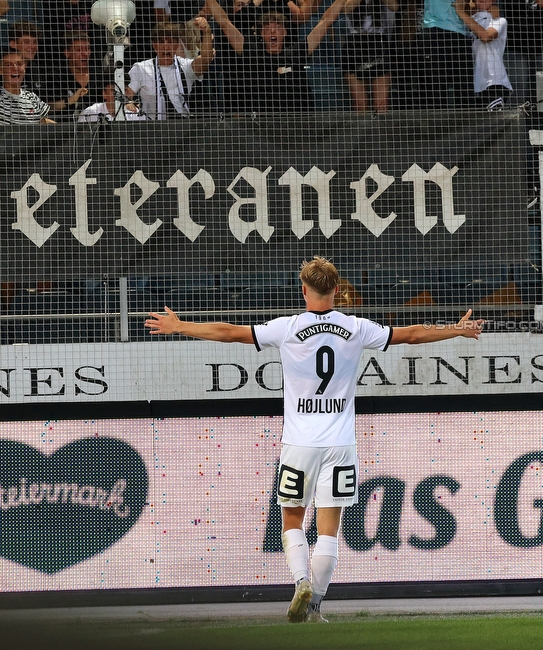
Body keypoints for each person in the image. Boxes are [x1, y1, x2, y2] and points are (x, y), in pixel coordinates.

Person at [145, 257, 484, 623]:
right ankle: (317, 607)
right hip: (339, 443)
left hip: (299, 443)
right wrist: (457, 329)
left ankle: (300, 580)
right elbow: (412, 334)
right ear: (337, 290)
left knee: (292, 518)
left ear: (304, 290)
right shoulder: (356, 328)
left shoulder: (288, 328)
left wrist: (180, 325)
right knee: (329, 528)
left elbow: (230, 332)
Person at [126, 20, 216, 119]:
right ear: (154, 45)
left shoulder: (185, 66)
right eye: (161, 42)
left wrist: (206, 32)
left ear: (177, 44)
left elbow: (206, 59)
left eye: (170, 41)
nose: (166, 46)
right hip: (152, 128)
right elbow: (124, 96)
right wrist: (128, 103)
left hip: (182, 127)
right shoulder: (141, 69)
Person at [454, 0, 512, 109]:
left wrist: (461, 12)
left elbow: (486, 36)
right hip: (473, 85)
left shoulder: (499, 20)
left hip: (494, 82)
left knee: (495, 124)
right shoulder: (465, 22)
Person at [43, 30, 94, 119]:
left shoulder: (99, 75)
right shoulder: (56, 77)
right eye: (79, 50)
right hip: (64, 129)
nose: (85, 54)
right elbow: (44, 108)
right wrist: (69, 101)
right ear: (67, 53)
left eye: (87, 49)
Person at [0, 51, 55, 124]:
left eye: (19, 64)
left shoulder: (32, 97)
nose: (15, 68)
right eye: (8, 65)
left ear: (25, 68)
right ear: (1, 70)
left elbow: (43, 121)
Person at [78, 77, 148, 122]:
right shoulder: (90, 113)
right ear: (104, 94)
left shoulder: (135, 113)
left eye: (123, 90)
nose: (118, 94)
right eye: (113, 91)